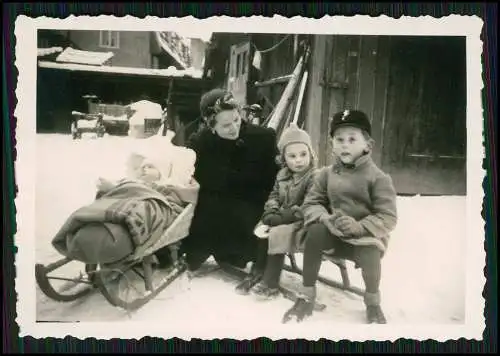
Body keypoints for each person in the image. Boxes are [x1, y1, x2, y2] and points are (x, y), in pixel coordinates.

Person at [282, 109, 398, 324]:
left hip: (363, 238)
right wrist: (326, 219)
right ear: (332, 144)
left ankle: (372, 302)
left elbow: (388, 216)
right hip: (333, 234)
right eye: (339, 139)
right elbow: (312, 203)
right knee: (315, 232)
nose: (345, 144)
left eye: (352, 139)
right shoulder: (326, 174)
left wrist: (360, 227)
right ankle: (307, 292)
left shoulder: (378, 178)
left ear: (368, 145)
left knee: (372, 252)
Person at [180, 88, 280, 293]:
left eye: (236, 119)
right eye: (226, 125)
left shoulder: (263, 138)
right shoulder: (200, 143)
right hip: (213, 210)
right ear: (211, 126)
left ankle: (236, 253)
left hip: (251, 208)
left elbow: (276, 182)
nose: (234, 127)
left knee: (240, 243)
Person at [250, 123, 318, 300]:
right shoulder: (282, 176)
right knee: (262, 227)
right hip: (283, 216)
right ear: (284, 158)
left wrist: (284, 216)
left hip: (303, 220)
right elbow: (274, 195)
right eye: (292, 156)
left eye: (303, 154)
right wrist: (271, 210)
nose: (298, 160)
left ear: (311, 153)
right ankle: (259, 269)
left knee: (278, 234)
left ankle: (271, 282)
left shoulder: (314, 177)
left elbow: (310, 204)